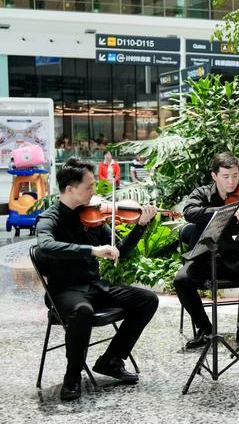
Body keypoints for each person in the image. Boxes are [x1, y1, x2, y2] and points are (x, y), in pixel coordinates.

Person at [36, 157, 159, 402]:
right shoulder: (50, 219)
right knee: (82, 311)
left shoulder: (92, 216)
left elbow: (119, 249)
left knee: (147, 299)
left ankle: (111, 360)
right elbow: (46, 246)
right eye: (89, 186)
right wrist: (91, 250)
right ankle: (72, 375)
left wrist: (141, 226)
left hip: (95, 287)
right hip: (64, 291)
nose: (95, 191)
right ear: (70, 188)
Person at [174, 152, 239, 349]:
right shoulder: (201, 194)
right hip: (203, 258)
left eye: (235, 176)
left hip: (233, 259)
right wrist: (223, 212)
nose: (231, 181)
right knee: (181, 280)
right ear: (214, 176)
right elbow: (189, 213)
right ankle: (205, 329)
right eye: (226, 176)